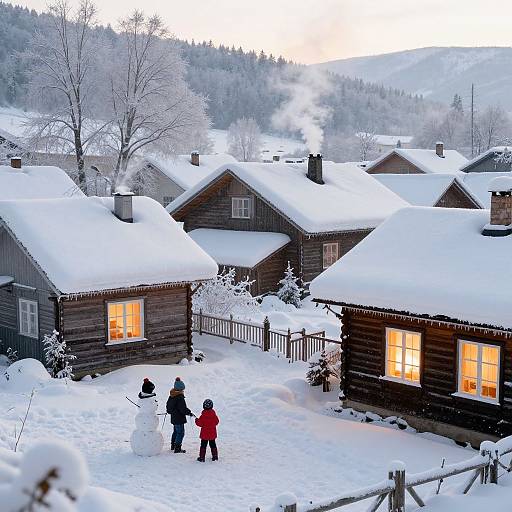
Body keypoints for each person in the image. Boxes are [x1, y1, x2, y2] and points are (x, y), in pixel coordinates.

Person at [166, 377, 194, 453]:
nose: (183, 391)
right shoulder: (180, 397)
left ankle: (173, 446)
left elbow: (168, 407)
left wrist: (171, 412)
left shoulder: (171, 395)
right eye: (182, 389)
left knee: (175, 431)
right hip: (179, 418)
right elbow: (183, 409)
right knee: (180, 433)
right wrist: (189, 412)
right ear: (180, 389)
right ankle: (177, 448)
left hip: (174, 418)